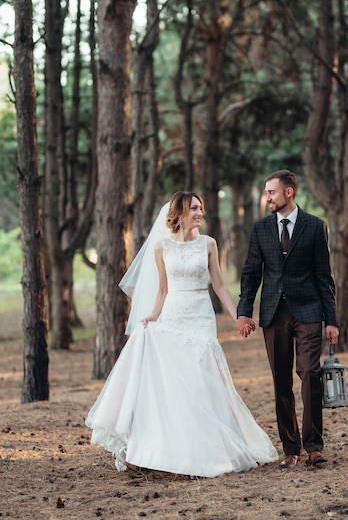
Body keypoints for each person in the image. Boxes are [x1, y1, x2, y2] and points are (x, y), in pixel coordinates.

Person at [86, 191, 278, 477]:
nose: (200, 213)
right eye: (194, 208)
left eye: (201, 207)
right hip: (173, 315)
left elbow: (220, 286)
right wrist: (152, 316)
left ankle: (209, 448)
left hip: (201, 316)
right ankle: (160, 449)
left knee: (202, 380)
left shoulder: (209, 244)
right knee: (172, 385)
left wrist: (239, 315)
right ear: (180, 213)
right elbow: (163, 290)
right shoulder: (161, 248)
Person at [236, 170, 339, 469]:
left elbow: (324, 277)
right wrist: (244, 311)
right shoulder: (260, 229)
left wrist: (330, 320)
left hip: (308, 311)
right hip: (273, 314)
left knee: (310, 375)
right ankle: (290, 448)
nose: (267, 197)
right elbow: (251, 273)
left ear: (289, 192)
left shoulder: (315, 227)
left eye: (271, 192)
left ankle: (314, 447)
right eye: (266, 192)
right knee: (281, 381)